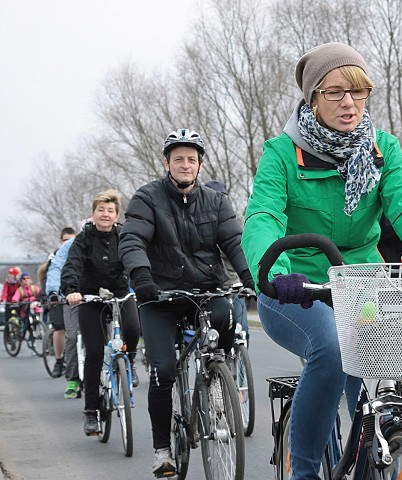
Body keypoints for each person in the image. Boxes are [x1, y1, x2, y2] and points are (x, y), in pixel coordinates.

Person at [240, 42, 402, 480]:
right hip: (295, 287)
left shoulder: (383, 149)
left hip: (361, 283)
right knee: (331, 348)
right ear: (312, 98)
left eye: (359, 92)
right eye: (336, 92)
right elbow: (263, 217)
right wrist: (275, 272)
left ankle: (365, 464)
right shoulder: (281, 153)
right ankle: (304, 470)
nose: (349, 103)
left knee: (369, 379)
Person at [119, 128, 254, 477]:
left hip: (205, 289)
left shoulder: (216, 201)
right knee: (164, 371)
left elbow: (235, 242)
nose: (185, 164)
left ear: (199, 165)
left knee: (226, 316)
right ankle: (162, 449)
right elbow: (132, 238)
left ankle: (216, 378)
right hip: (159, 295)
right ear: (167, 163)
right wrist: (143, 278)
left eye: (191, 159)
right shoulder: (146, 198)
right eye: (178, 158)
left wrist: (251, 275)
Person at [61, 189, 141, 435]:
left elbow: (136, 260)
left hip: (120, 294)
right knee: (94, 352)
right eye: (101, 210)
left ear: (117, 215)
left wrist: (144, 282)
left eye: (110, 210)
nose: (105, 214)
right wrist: (72, 290)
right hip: (90, 297)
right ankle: (91, 412)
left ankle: (130, 360)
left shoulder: (124, 237)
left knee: (133, 328)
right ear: (93, 213)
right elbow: (72, 266)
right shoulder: (83, 240)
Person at [204, 179, 251, 343]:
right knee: (214, 330)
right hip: (214, 285)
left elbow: (239, 249)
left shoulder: (234, 221)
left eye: (222, 195)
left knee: (242, 329)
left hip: (234, 283)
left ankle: (241, 364)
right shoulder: (201, 223)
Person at [44, 227, 77, 381]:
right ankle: (59, 360)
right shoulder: (56, 255)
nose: (68, 242)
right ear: (60, 241)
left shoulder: (80, 249)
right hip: (60, 295)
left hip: (79, 294)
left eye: (71, 239)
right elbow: (50, 274)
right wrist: (51, 294)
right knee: (60, 327)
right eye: (65, 240)